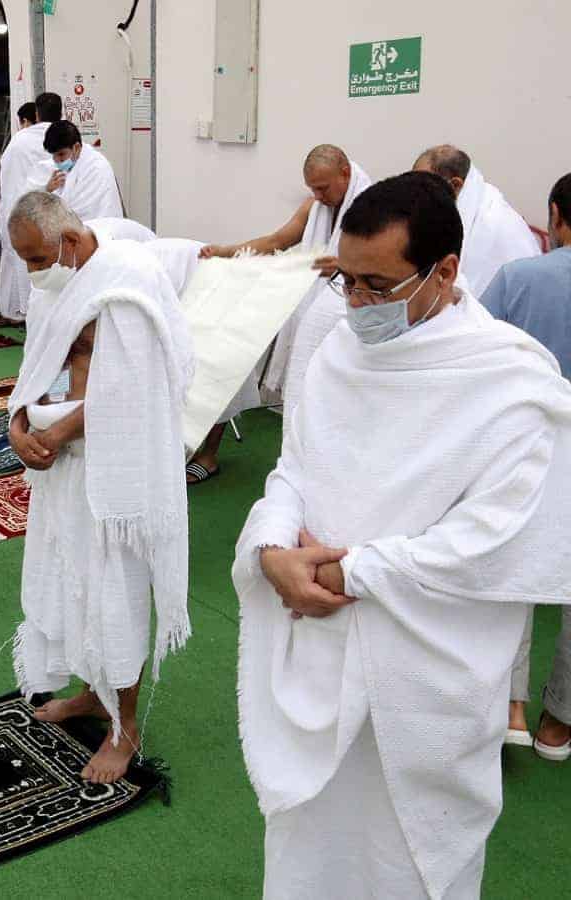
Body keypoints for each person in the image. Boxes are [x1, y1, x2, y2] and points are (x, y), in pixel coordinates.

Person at [235, 171, 571, 898]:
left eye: (378, 286)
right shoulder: (339, 351)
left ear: (445, 272)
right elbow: (294, 468)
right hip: (319, 649)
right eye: (347, 282)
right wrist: (271, 549)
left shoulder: (511, 381)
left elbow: (492, 540)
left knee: (408, 860)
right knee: (311, 847)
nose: (357, 304)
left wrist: (350, 572)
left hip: (425, 675)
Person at [6, 191, 194, 783]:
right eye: (25, 261)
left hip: (116, 464)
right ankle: (92, 694)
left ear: (69, 240)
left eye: (38, 259)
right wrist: (17, 427)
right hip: (63, 455)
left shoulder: (126, 280)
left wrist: (54, 434)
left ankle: (125, 726)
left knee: (115, 588)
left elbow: (131, 391)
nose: (33, 272)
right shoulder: (60, 285)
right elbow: (35, 367)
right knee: (73, 580)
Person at [192, 145, 372, 483]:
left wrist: (338, 265)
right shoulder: (315, 206)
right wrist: (226, 252)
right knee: (307, 396)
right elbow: (277, 241)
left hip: (354, 318)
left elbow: (375, 264)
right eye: (312, 189)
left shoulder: (373, 206)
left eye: (323, 188)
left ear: (345, 173)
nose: (318, 196)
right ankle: (302, 466)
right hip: (316, 313)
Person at [483, 172, 571, 762]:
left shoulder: (518, 278)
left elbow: (473, 357)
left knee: (514, 566)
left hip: (524, 445)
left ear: (556, 217)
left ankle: (510, 706)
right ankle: (559, 722)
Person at [414, 144, 540, 295]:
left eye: (424, 186)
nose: (416, 195)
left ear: (455, 185)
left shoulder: (493, 222)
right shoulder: (461, 210)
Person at [0, 92, 61, 323]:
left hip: (22, 209)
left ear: (36, 114)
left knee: (22, 262)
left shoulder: (19, 142)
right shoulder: (66, 137)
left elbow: (8, 179)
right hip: (56, 213)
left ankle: (19, 311)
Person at [43, 120, 123, 222]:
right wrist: (48, 190)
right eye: (53, 155)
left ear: (76, 147)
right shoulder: (73, 162)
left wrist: (49, 199)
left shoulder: (95, 168)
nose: (57, 161)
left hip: (100, 227)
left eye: (61, 154)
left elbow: (79, 212)